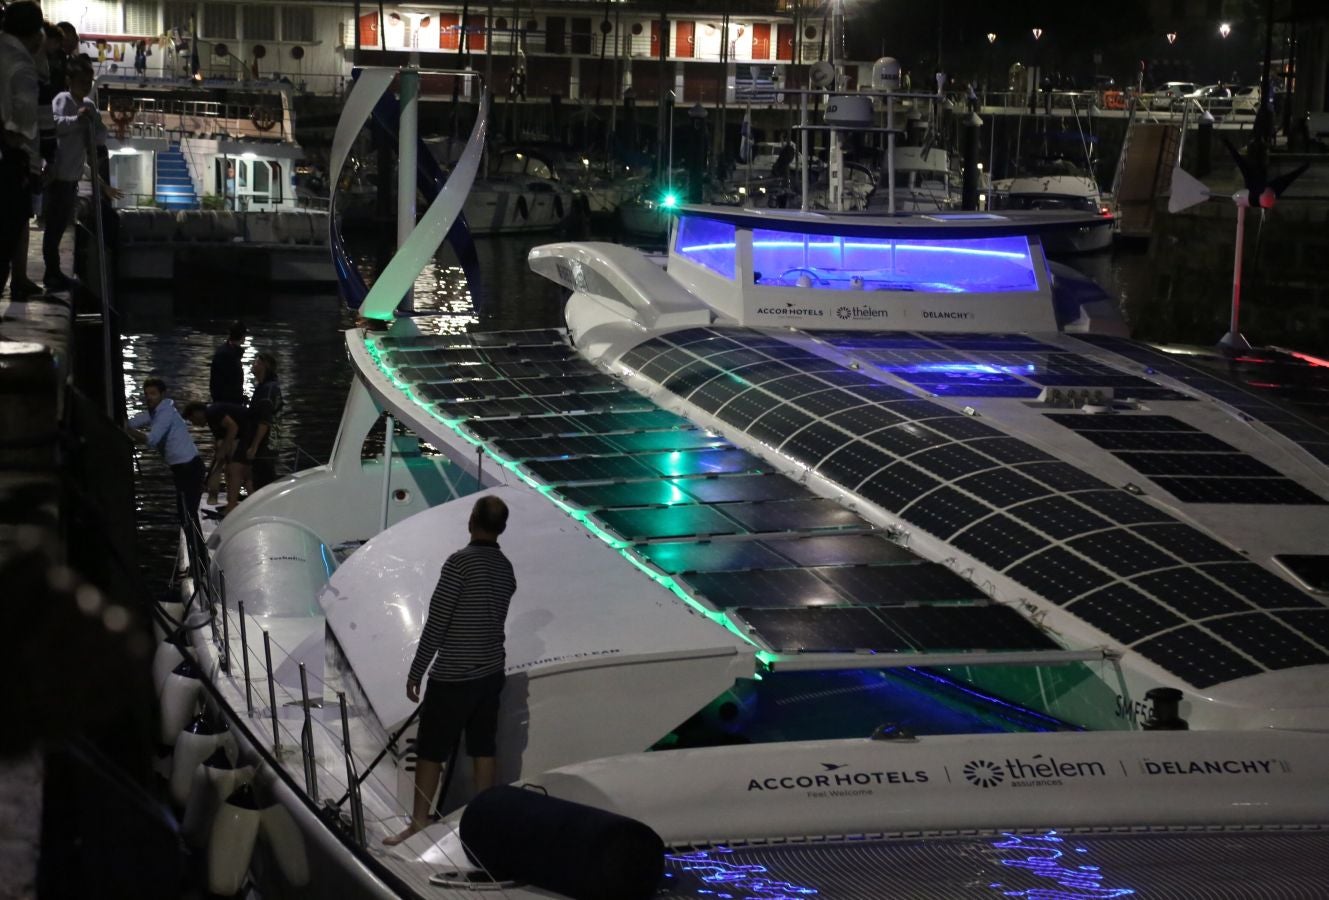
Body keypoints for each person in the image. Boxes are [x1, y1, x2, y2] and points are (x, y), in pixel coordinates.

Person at [385, 495, 517, 847]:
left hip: (454, 676)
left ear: (472, 520)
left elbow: (438, 622)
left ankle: (419, 822)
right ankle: (484, 822)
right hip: (490, 673)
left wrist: (417, 670)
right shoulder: (506, 569)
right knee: (483, 747)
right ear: (501, 527)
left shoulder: (459, 564)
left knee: (430, 749)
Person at [126, 377, 207, 574]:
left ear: (162, 395)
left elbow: (152, 440)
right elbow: (134, 421)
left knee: (188, 516)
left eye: (153, 394)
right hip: (182, 470)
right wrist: (123, 423)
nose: (149, 398)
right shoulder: (156, 413)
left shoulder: (165, 414)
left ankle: (202, 564)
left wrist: (128, 430)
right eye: (146, 394)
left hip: (190, 469)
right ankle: (199, 563)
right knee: (185, 516)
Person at [45, 60, 111, 290]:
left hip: (73, 175)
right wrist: (77, 120)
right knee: (54, 227)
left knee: (62, 225)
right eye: (81, 81)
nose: (85, 86)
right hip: (59, 174)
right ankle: (51, 273)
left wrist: (92, 124)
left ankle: (55, 272)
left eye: (88, 82)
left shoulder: (90, 105)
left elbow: (101, 132)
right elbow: (53, 124)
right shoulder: (62, 100)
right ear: (70, 81)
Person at [0, 1, 43, 300]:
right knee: (9, 228)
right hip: (8, 156)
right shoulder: (22, 62)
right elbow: (25, 120)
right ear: (36, 32)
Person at [228, 350, 281, 502]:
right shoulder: (264, 387)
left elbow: (265, 421)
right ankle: (251, 504)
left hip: (262, 443)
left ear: (264, 366)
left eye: (257, 362)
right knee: (248, 473)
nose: (253, 364)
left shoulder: (267, 390)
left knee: (241, 470)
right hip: (257, 439)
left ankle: (235, 506)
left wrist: (254, 447)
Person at [183, 400, 245, 508]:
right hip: (239, 434)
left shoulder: (213, 412)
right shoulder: (211, 419)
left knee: (232, 466)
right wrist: (220, 450)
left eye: (192, 420)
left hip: (247, 431)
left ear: (197, 413)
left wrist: (223, 450)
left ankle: (231, 501)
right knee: (220, 459)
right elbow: (220, 438)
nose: (193, 424)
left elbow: (233, 427)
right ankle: (214, 495)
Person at [209, 321, 246, 403]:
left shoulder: (225, 352)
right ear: (243, 337)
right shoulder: (229, 355)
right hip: (227, 404)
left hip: (226, 402)